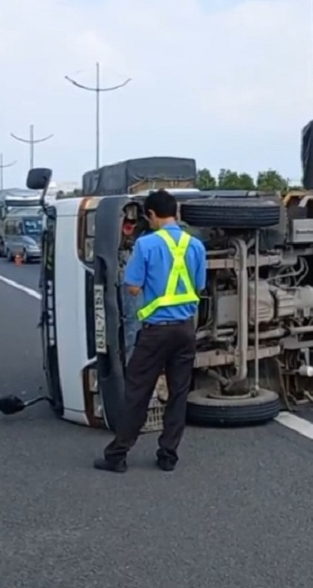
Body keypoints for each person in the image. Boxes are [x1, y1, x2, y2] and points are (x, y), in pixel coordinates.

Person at [95, 189, 206, 473]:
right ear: (176, 213)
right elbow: (200, 285)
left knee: (137, 391)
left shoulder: (145, 245)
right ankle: (168, 455)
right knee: (179, 392)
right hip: (185, 330)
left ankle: (117, 455)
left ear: (152, 215)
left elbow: (132, 286)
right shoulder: (195, 245)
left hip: (156, 330)